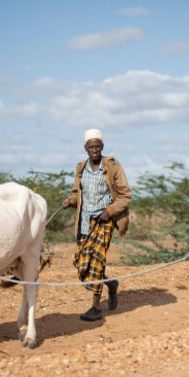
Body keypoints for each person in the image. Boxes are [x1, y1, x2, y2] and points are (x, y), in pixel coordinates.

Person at [62, 129, 132, 321]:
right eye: (91, 147)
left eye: (97, 146)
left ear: (102, 147)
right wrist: (71, 201)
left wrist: (109, 211)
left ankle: (95, 307)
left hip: (105, 220)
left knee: (98, 261)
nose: (94, 150)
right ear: (85, 148)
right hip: (85, 222)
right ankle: (111, 284)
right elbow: (78, 194)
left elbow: (126, 196)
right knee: (82, 263)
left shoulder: (112, 166)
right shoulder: (80, 168)